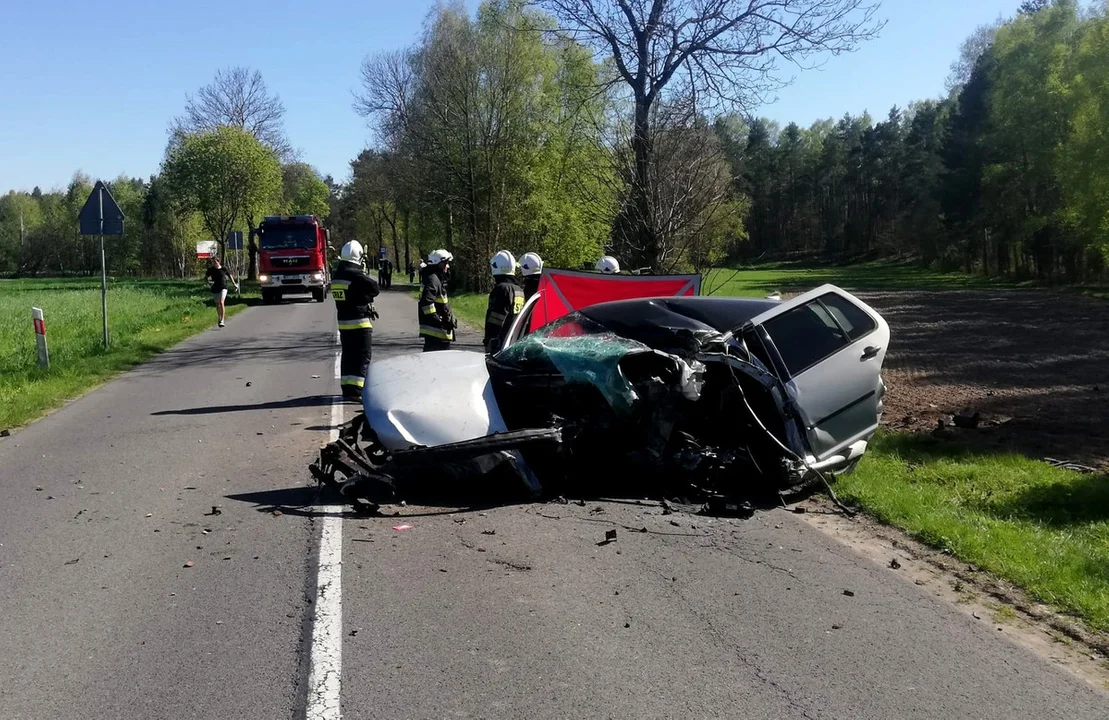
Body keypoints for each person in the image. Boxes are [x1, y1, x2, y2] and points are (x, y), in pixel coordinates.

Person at [332, 240, 380, 401]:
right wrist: (364, 299)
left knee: (348, 356)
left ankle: (347, 388)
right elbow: (374, 288)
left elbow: (349, 296)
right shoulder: (355, 275)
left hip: (344, 323)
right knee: (362, 357)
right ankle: (358, 390)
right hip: (360, 323)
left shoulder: (337, 275)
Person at [483, 250, 526, 354]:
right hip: (514, 341)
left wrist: (490, 339)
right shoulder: (519, 289)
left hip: (500, 342)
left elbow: (496, 318)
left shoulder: (502, 289)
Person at [418, 249, 457, 352]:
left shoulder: (434, 279)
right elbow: (427, 304)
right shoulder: (433, 280)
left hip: (437, 333)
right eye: (445, 263)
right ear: (438, 264)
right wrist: (440, 321)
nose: (447, 266)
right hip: (436, 334)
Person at [205, 257, 239, 328]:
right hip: (214, 288)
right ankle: (219, 317)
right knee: (217, 304)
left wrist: (234, 284)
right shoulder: (211, 270)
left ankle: (222, 320)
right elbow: (205, 277)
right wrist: (208, 283)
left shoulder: (224, 269)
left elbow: (230, 276)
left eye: (215, 262)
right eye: (213, 262)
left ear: (218, 262)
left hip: (223, 287)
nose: (214, 263)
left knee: (221, 302)